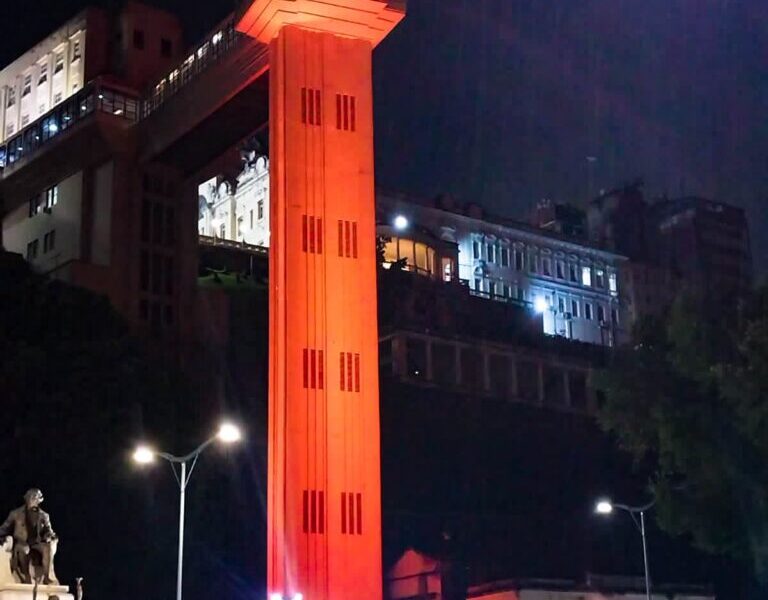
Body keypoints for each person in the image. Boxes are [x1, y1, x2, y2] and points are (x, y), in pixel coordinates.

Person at [0, 489, 58, 584]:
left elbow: (49, 531)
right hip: (21, 542)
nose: (32, 499)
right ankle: (27, 576)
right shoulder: (15, 513)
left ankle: (47, 577)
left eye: (35, 498)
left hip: (37, 543)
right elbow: (4, 528)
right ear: (26, 498)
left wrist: (50, 537)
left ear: (39, 500)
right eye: (31, 497)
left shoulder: (44, 516)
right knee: (24, 549)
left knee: (48, 548)